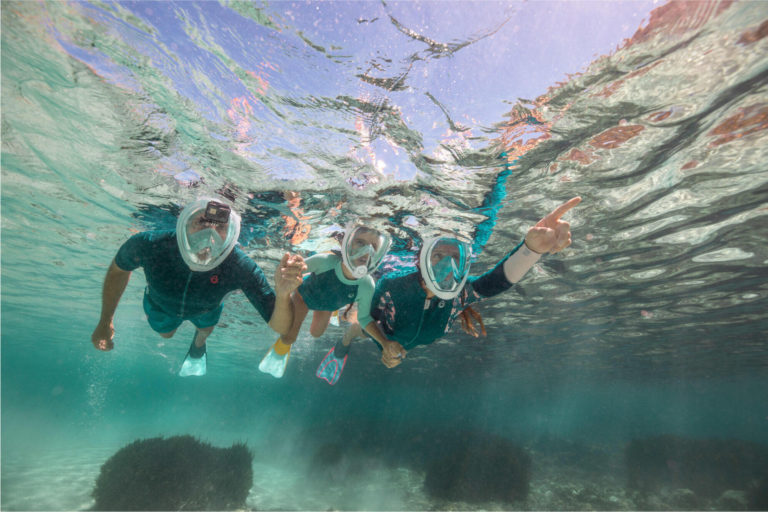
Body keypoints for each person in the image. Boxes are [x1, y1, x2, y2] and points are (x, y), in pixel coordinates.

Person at [319, 197, 581, 379]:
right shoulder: (392, 286)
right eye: (437, 256)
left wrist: (532, 249)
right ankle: (343, 345)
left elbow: (497, 281)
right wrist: (385, 344)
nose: (446, 267)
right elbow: (366, 313)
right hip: (383, 329)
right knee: (356, 327)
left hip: (411, 339)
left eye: (454, 258)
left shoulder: (460, 294)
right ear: (421, 260)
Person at [90, 197, 306, 377]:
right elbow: (119, 270)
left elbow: (280, 327)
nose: (209, 235)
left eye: (220, 227)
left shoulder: (239, 265)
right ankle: (198, 339)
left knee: (204, 330)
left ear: (231, 234)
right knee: (166, 334)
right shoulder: (151, 245)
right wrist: (105, 320)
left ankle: (198, 346)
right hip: (161, 307)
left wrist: (283, 294)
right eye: (201, 222)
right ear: (183, 223)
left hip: (206, 310)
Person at [258, 223, 403, 382]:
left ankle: (333, 311)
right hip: (304, 298)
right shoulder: (325, 261)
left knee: (316, 334)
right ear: (346, 243)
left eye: (373, 247)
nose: (367, 251)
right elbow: (295, 269)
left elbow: (363, 318)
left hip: (328, 306)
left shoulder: (367, 285)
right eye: (360, 243)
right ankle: (279, 352)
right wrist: (291, 267)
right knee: (289, 338)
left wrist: (384, 342)